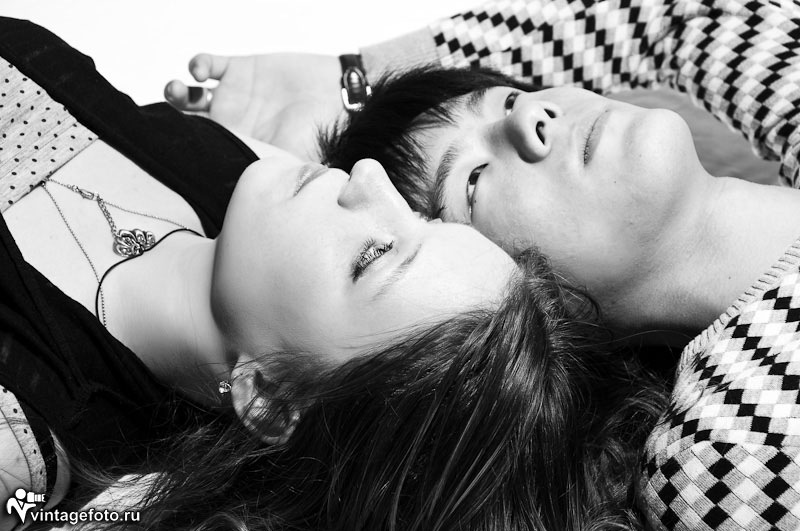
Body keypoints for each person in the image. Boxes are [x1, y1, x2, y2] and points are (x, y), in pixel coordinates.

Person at [0, 15, 668, 531]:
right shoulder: (240, 177)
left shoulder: (25, 433)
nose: (368, 178)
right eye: (422, 216)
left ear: (268, 399)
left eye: (372, 256)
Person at [164, 0, 800, 528]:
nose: (532, 114)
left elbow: (674, 14)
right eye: (474, 180)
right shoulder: (720, 454)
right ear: (523, 311)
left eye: (510, 97)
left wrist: (353, 77)